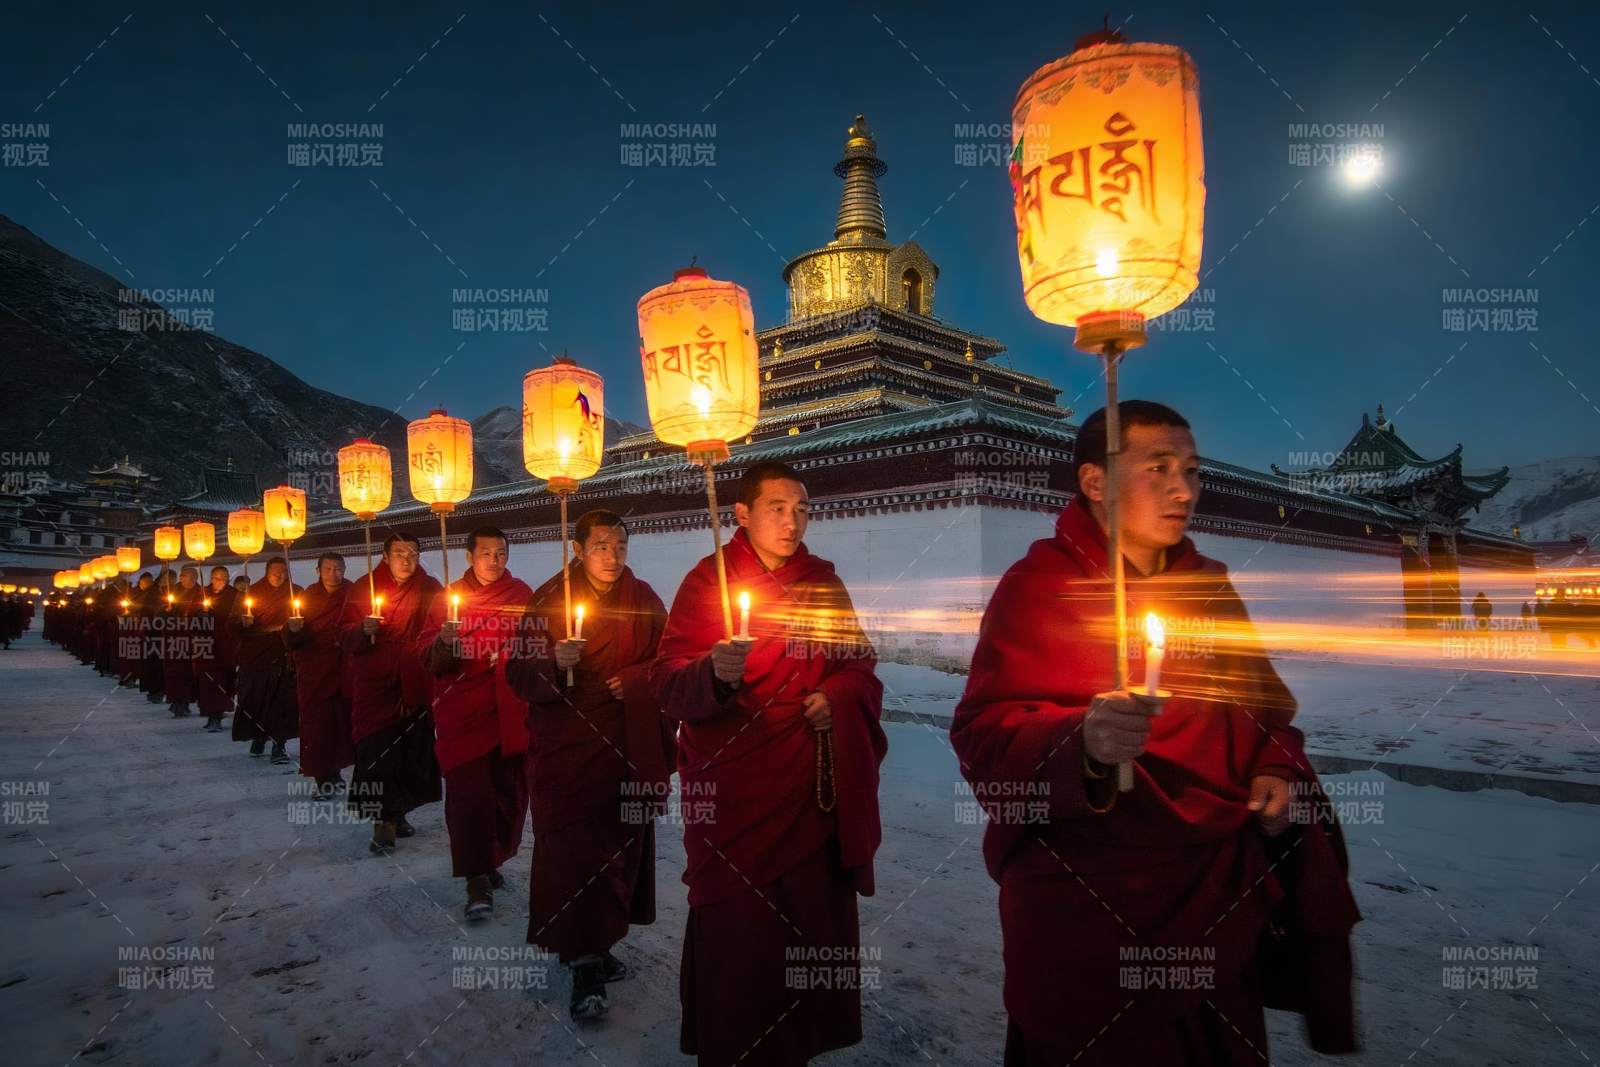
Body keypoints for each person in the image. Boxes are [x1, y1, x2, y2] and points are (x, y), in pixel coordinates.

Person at [950, 401, 1360, 1065]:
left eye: (1192, 471)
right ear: (1094, 481)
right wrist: (1082, 741)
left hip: (1211, 884)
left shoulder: (1209, 588)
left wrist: (1276, 769)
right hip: (1088, 895)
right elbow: (982, 738)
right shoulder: (1038, 588)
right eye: (1159, 469)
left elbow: (1267, 716)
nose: (1184, 490)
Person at [650, 461, 887, 1066]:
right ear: (742, 514)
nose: (792, 521)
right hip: (735, 793)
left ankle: (799, 1045)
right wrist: (712, 674)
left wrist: (837, 697)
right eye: (777, 508)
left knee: (811, 922)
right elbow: (667, 683)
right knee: (742, 932)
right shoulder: (708, 582)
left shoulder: (822, 582)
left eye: (802, 510)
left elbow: (858, 663)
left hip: (810, 788)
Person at [506, 509, 671, 1021]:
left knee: (619, 851)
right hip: (568, 750)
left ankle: (599, 942)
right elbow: (517, 674)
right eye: (601, 545)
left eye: (620, 545)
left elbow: (671, 661)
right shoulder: (547, 600)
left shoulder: (644, 599)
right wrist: (554, 664)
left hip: (624, 745)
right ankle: (583, 961)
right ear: (577, 550)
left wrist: (638, 681)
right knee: (575, 856)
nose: (612, 556)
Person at [418, 527, 532, 919]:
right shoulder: (448, 599)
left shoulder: (521, 595)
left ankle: (490, 859)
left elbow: (538, 643)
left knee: (507, 793)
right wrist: (445, 643)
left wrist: (509, 655)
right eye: (486, 553)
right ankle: (475, 879)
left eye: (501, 553)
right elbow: (427, 655)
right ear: (469, 557)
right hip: (463, 712)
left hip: (510, 713)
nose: (495, 560)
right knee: (470, 798)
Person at [341, 533, 444, 854]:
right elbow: (343, 634)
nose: (406, 559)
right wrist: (363, 630)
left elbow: (442, 626)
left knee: (410, 754)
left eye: (413, 553)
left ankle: (398, 813)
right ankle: (381, 821)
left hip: (416, 680)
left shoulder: (430, 587)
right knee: (376, 753)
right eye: (399, 553)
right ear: (385, 557)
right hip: (376, 685)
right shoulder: (364, 587)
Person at [285, 553, 355, 798]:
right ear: (318, 571)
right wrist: (293, 631)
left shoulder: (354, 593)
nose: (334, 574)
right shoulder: (307, 597)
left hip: (345, 668)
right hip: (314, 670)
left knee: (342, 724)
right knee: (317, 726)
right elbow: (291, 636)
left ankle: (335, 772)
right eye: (328, 569)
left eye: (338, 569)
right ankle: (322, 778)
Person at [233, 557, 300, 764]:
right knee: (256, 699)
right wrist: (243, 623)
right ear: (266, 572)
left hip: (283, 653)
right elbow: (231, 625)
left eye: (283, 572)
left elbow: (306, 621)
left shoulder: (296, 592)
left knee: (283, 703)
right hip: (256, 655)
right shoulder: (250, 592)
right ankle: (259, 737)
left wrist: (296, 628)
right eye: (275, 571)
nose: (279, 575)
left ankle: (279, 745)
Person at [194, 565, 237, 733]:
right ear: (212, 578)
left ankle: (217, 716)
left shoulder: (234, 594)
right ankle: (211, 715)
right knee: (207, 681)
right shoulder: (202, 594)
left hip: (225, 644)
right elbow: (189, 616)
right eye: (218, 578)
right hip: (205, 643)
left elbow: (238, 616)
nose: (221, 581)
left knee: (223, 681)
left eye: (225, 578)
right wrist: (201, 615)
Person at [163, 565, 203, 717]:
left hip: (191, 638)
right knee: (173, 671)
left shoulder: (201, 593)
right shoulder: (172, 591)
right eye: (181, 575)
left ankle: (187, 702)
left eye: (185, 575)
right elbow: (160, 613)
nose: (181, 578)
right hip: (173, 637)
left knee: (188, 672)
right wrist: (166, 611)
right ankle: (176, 700)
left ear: (195, 577)